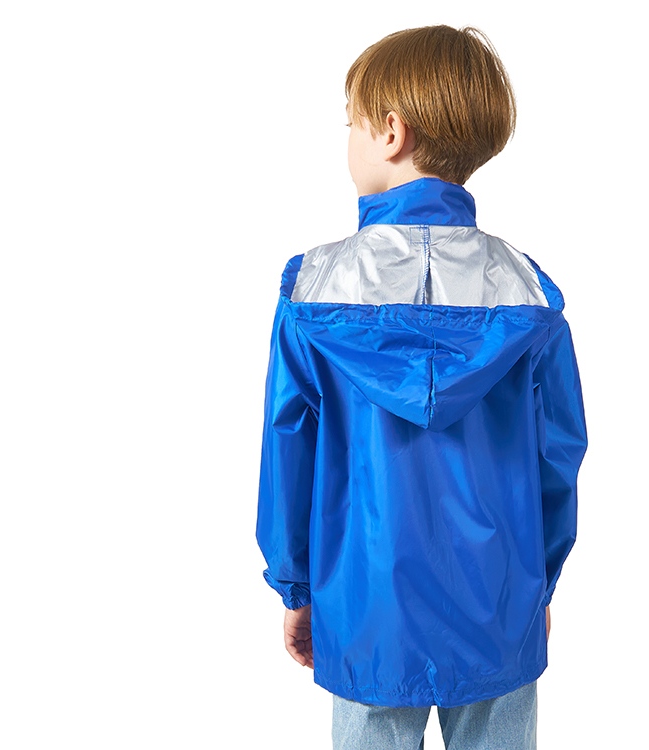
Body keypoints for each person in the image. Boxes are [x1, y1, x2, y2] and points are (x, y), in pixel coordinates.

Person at [256, 25, 587, 750]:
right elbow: (558, 456)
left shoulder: (313, 289)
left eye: (351, 123)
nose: (348, 139)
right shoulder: (528, 292)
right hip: (499, 600)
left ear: (390, 131)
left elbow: (288, 449)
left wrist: (296, 586)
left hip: (364, 604)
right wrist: (540, 583)